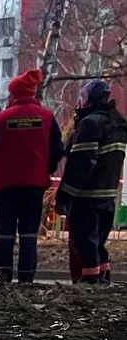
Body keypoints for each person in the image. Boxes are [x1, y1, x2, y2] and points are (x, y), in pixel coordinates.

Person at [0, 69, 65, 283]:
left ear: (15, 94)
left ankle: (3, 275)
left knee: (4, 232)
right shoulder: (47, 117)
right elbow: (57, 150)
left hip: (4, 185)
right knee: (29, 233)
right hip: (34, 185)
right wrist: (45, 168)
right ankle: (26, 277)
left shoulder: (2, 119)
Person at [56, 79, 127, 284]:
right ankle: (102, 281)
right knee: (98, 245)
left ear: (87, 99)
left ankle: (89, 285)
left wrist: (64, 196)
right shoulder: (117, 122)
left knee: (84, 245)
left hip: (86, 198)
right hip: (107, 197)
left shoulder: (90, 124)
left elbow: (81, 164)